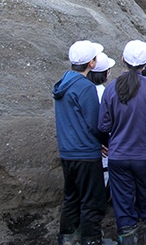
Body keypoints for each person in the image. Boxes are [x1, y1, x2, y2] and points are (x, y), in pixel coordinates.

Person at [98, 40, 146, 245]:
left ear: (123, 60)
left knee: (123, 205)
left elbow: (103, 126)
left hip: (118, 156)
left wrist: (108, 142)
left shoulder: (111, 89)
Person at [53, 40, 111, 245]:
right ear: (91, 63)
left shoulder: (63, 82)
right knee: (92, 201)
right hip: (86, 153)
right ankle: (91, 239)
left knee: (71, 198)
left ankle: (66, 238)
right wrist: (105, 142)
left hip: (67, 151)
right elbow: (96, 123)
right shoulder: (85, 87)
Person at [87, 52, 117, 198]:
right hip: (103, 146)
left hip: (85, 145)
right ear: (106, 73)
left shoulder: (84, 90)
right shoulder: (104, 93)